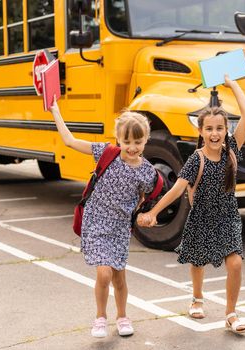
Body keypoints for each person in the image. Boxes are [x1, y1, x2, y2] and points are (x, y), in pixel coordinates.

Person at [137, 76, 245, 334]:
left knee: (235, 263)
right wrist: (153, 212)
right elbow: (177, 189)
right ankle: (197, 298)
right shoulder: (196, 160)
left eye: (220, 128)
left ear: (226, 130)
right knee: (198, 260)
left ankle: (231, 313)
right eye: (209, 129)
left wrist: (232, 84)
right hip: (201, 216)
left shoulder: (232, 149)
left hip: (228, 216)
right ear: (200, 132)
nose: (215, 133)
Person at [49, 98, 157, 338]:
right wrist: (56, 110)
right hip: (96, 223)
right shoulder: (107, 153)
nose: (132, 147)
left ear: (146, 140)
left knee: (119, 276)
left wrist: (148, 215)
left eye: (137, 142)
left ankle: (122, 316)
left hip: (119, 228)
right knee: (104, 272)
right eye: (126, 141)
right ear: (118, 138)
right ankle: (100, 318)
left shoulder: (147, 171)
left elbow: (147, 197)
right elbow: (70, 141)